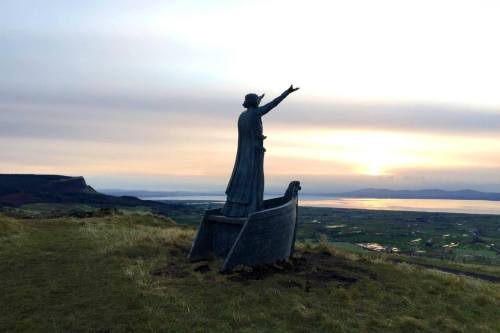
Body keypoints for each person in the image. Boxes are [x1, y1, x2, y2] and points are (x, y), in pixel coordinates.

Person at [222, 84, 300, 217]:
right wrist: (286, 92)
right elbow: (273, 104)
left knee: (241, 179)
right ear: (255, 103)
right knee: (254, 180)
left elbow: (252, 120)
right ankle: (252, 207)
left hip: (243, 154)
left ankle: (235, 207)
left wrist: (258, 100)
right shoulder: (256, 113)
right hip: (255, 153)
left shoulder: (242, 116)